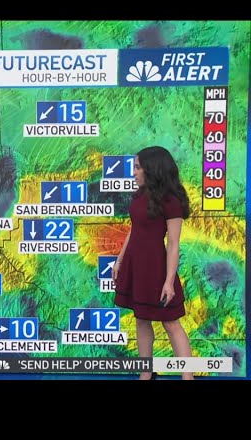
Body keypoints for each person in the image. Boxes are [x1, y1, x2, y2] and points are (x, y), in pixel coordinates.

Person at [113, 146, 194, 380]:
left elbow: (174, 244)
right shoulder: (140, 195)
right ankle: (146, 374)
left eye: (138, 167)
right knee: (141, 319)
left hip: (157, 268)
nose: (133, 172)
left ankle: (188, 377)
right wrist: (120, 260)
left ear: (152, 169)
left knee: (171, 324)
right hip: (135, 265)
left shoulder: (171, 201)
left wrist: (169, 281)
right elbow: (134, 229)